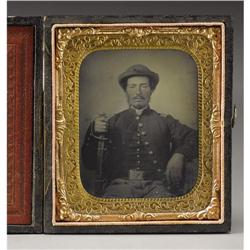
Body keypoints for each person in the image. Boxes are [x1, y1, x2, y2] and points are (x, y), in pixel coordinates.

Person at [82, 64, 198, 198]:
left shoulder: (165, 121)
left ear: (151, 90)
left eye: (144, 86)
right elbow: (89, 163)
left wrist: (180, 155)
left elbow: (196, 138)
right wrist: (94, 133)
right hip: (119, 187)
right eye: (132, 87)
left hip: (157, 188)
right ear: (126, 91)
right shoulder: (112, 122)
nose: (138, 92)